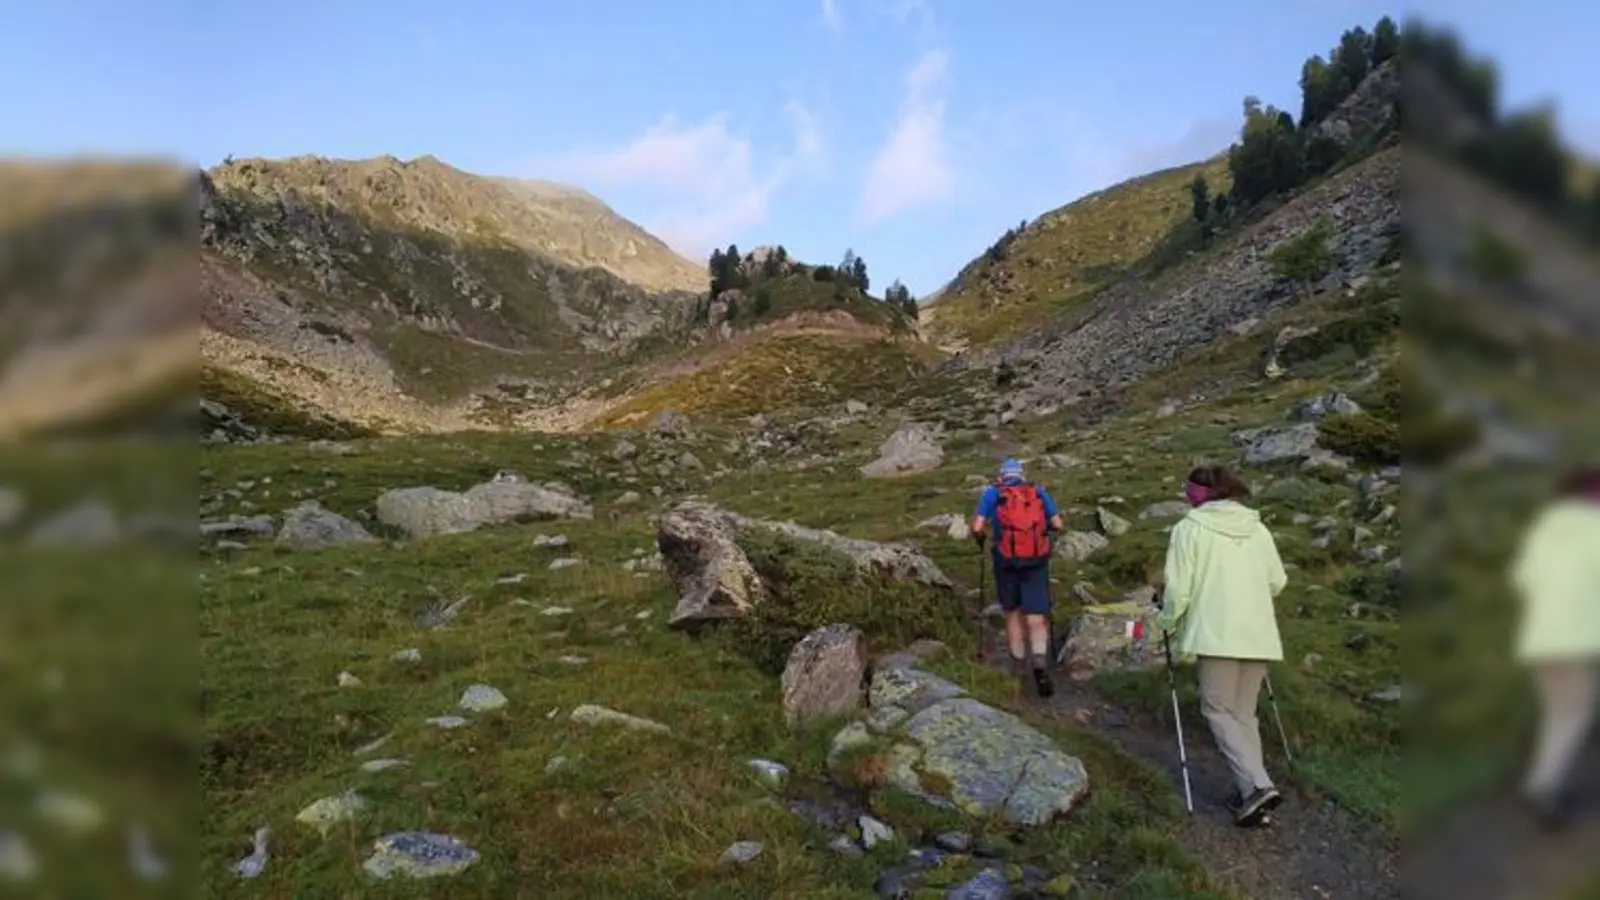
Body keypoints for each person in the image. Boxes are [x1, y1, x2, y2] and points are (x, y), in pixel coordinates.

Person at [1152, 464, 1288, 827]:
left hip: (1217, 632)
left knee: (1216, 710)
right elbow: (1277, 580)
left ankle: (1258, 786)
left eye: (1187, 489)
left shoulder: (1189, 529)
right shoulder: (1256, 527)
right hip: (1258, 632)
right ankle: (1250, 791)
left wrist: (1165, 621)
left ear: (1198, 494)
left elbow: (1179, 590)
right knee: (1243, 714)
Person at [1509, 465, 1600, 831]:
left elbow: (1523, 578)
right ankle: (1543, 786)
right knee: (1573, 712)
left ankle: (1540, 781)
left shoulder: (1545, 529)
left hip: (1538, 635)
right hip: (1575, 637)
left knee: (1559, 709)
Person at [970, 457, 1065, 698]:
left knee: (1012, 612)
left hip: (1006, 561)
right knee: (1035, 616)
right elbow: (1058, 523)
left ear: (1002, 475)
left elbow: (977, 526)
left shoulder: (993, 493)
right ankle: (1041, 664)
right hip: (1036, 561)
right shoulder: (1038, 492)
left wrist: (982, 539)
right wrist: (1044, 533)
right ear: (1021, 475)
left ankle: (1018, 666)